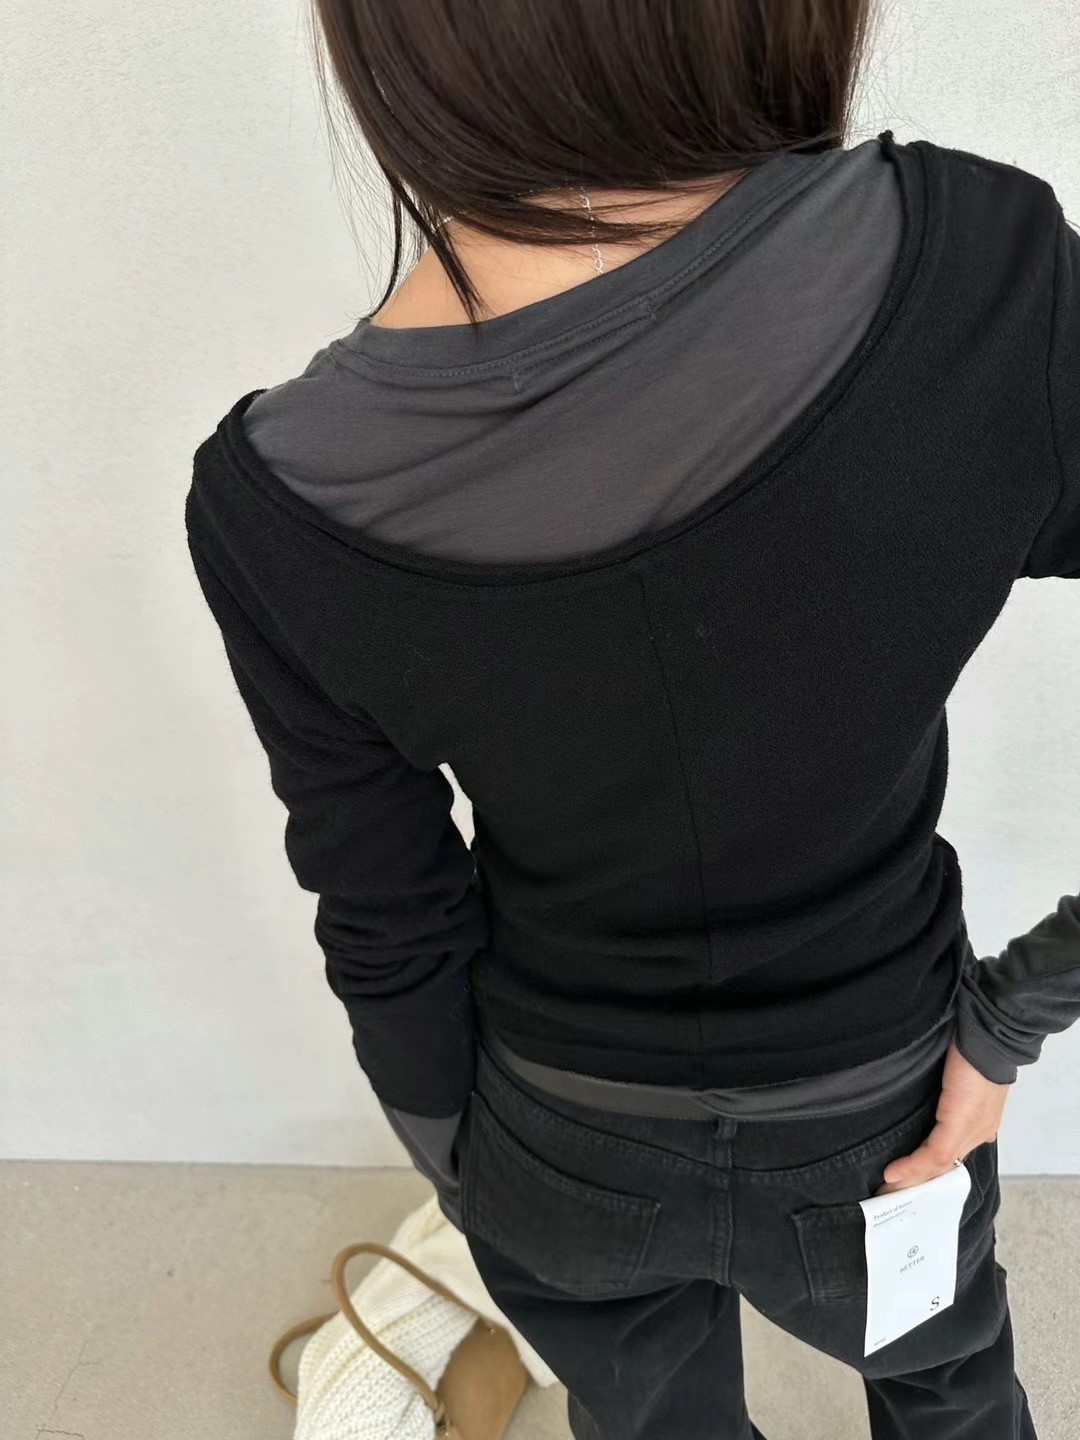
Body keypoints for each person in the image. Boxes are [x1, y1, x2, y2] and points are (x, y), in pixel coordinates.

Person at [183, 2, 1080, 1436]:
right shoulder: (983, 270)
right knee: (951, 1400)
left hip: (555, 1133)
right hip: (883, 1114)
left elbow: (384, 910)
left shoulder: (271, 495)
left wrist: (469, 1175)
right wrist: (1017, 1015)